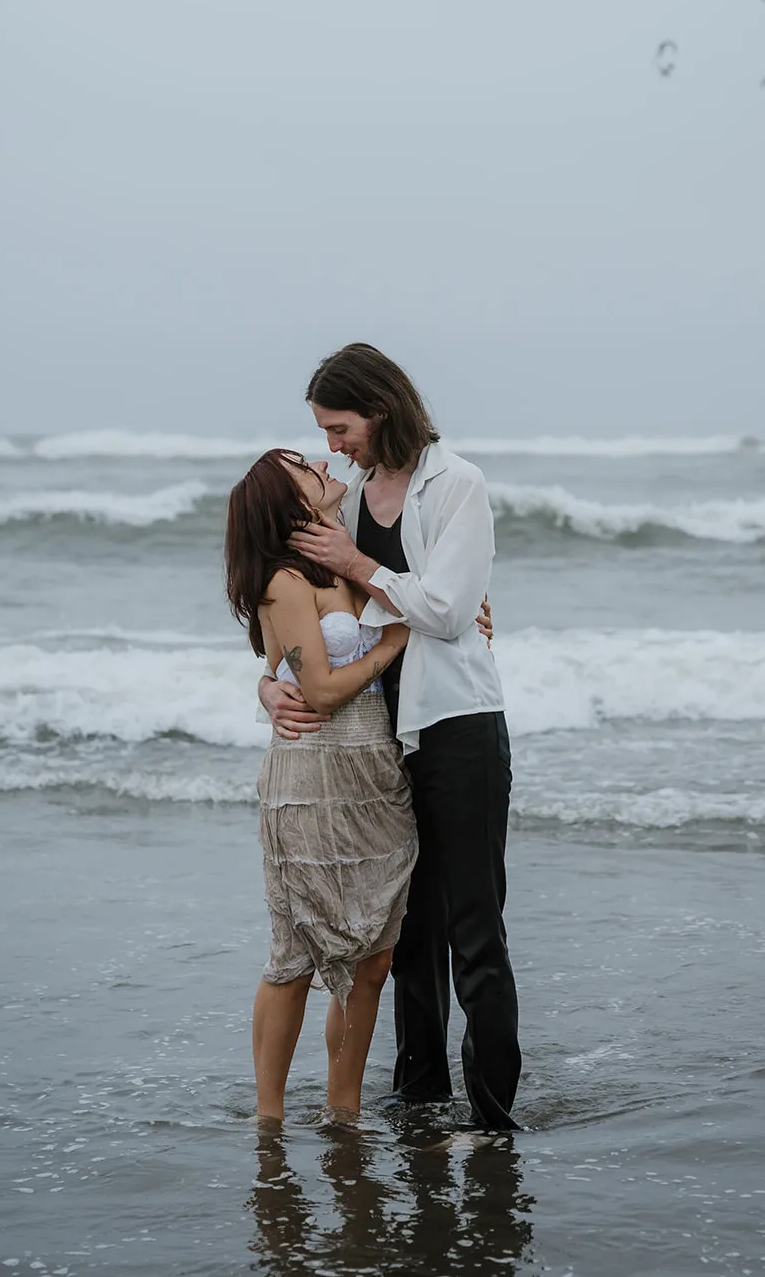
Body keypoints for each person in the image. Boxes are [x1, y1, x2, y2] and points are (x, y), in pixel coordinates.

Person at [259, 342, 521, 1131]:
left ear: (380, 408)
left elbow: (444, 611)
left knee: (471, 930)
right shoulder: (350, 502)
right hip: (377, 740)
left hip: (456, 728)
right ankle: (419, 1101)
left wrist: (362, 567)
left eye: (341, 429)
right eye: (326, 435)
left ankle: (493, 1118)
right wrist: (269, 684)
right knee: (402, 935)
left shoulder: (457, 484)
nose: (333, 447)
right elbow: (304, 621)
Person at [225, 448, 418, 1124]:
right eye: (303, 465)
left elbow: (427, 601)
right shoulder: (283, 579)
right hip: (311, 775)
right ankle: (269, 1120)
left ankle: (345, 1111)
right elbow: (320, 690)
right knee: (297, 950)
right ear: (291, 501)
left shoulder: (347, 561)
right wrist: (393, 641)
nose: (321, 462)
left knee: (374, 954)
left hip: (375, 778)